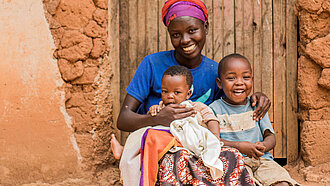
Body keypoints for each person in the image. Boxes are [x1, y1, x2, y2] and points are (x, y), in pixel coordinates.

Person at [117, 0, 270, 185]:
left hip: (198, 149)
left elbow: (227, 109)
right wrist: (157, 119)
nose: (185, 40)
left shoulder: (216, 73)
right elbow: (123, 119)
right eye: (176, 34)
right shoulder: (151, 64)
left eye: (192, 31)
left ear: (205, 27)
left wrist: (254, 97)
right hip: (161, 149)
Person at [112, 65, 224, 181]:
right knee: (145, 133)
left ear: (188, 93)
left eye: (177, 92)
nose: (170, 96)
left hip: (183, 140)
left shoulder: (195, 107)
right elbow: (150, 119)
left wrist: (215, 138)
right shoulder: (160, 107)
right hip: (162, 142)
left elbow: (211, 118)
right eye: (165, 91)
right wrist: (153, 112)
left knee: (153, 136)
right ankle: (126, 151)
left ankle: (124, 151)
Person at [209, 53, 299, 186]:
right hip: (236, 163)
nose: (239, 82)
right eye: (231, 78)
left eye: (245, 77)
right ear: (219, 83)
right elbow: (213, 142)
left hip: (263, 160)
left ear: (252, 79)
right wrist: (240, 147)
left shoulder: (256, 106)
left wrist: (263, 146)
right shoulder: (214, 110)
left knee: (283, 183)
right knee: (244, 182)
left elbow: (270, 136)